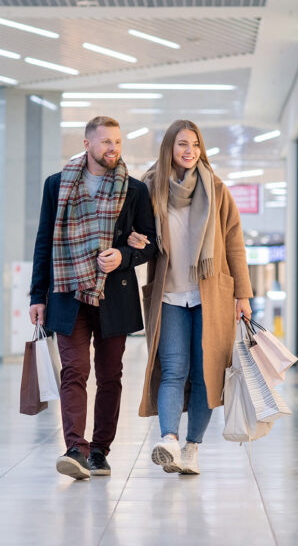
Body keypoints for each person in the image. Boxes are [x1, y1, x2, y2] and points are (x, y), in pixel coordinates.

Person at [29, 116, 157, 480]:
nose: (113, 148)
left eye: (117, 141)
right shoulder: (57, 185)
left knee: (110, 375)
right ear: (87, 144)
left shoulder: (134, 190)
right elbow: (44, 243)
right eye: (105, 142)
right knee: (74, 370)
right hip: (68, 291)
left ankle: (100, 450)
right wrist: (37, 295)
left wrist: (123, 256)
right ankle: (75, 449)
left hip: (113, 293)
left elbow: (151, 242)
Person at [130, 119, 253, 475]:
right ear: (169, 147)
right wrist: (135, 241)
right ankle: (169, 439)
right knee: (173, 369)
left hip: (211, 296)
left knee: (205, 374)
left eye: (195, 145)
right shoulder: (149, 189)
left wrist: (243, 295)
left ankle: (192, 448)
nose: (189, 151)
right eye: (182, 144)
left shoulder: (216, 189)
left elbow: (234, 245)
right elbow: (136, 235)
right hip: (168, 296)